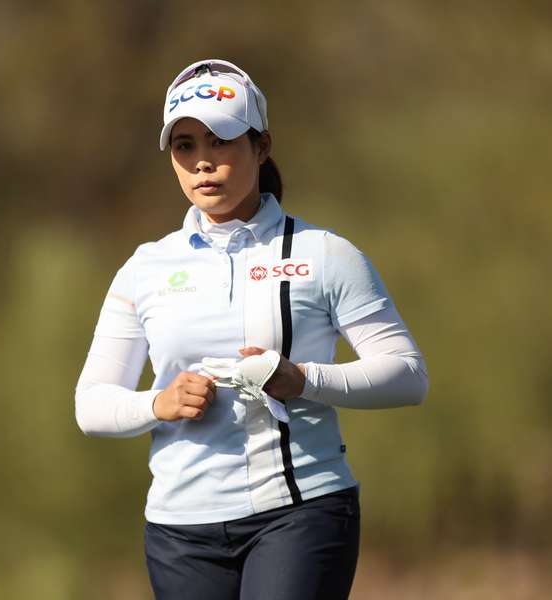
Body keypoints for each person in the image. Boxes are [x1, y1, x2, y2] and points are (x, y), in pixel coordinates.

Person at [74, 59, 428, 600]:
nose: (202, 163)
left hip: (300, 511)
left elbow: (408, 376)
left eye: (221, 141)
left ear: (262, 147)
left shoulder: (325, 255)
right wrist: (157, 405)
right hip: (179, 529)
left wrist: (302, 378)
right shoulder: (143, 267)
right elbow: (91, 404)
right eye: (185, 146)